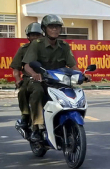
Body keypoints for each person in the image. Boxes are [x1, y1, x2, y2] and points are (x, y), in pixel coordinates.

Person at [22, 14, 78, 143]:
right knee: (38, 92)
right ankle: (36, 127)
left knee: (71, 92)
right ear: (44, 29)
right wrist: (35, 74)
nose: (55, 30)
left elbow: (73, 65)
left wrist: (82, 74)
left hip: (58, 80)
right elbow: (26, 65)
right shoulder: (37, 44)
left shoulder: (64, 46)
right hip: (39, 81)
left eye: (57, 27)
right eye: (51, 27)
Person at [11, 22, 44, 129]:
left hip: (49, 78)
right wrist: (17, 79)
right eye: (32, 35)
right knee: (23, 91)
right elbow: (16, 67)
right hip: (29, 78)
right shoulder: (23, 49)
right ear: (28, 37)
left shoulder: (47, 48)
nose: (35, 37)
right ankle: (26, 116)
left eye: (37, 35)